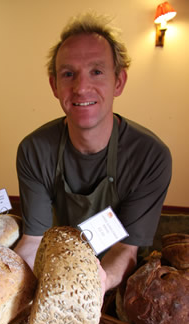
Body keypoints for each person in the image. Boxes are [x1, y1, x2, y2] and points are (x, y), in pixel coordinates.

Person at [14, 11, 172, 298]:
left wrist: (97, 282)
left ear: (119, 82)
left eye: (97, 71)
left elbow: (127, 247)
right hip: (59, 276)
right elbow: (33, 241)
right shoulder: (34, 150)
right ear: (55, 86)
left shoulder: (150, 156)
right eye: (68, 74)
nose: (81, 87)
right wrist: (9, 288)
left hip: (121, 286)